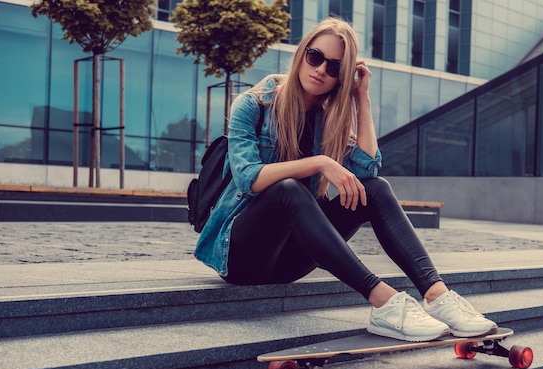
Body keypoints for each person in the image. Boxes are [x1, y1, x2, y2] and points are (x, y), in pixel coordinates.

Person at [194, 17, 497, 342]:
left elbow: (367, 172)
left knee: (376, 190)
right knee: (289, 189)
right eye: (315, 57)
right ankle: (383, 302)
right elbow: (248, 179)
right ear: (301, 55)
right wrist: (320, 163)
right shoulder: (254, 104)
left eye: (335, 67)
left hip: (288, 265)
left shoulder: (328, 122)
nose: (321, 69)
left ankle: (438, 295)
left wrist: (361, 99)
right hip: (240, 257)